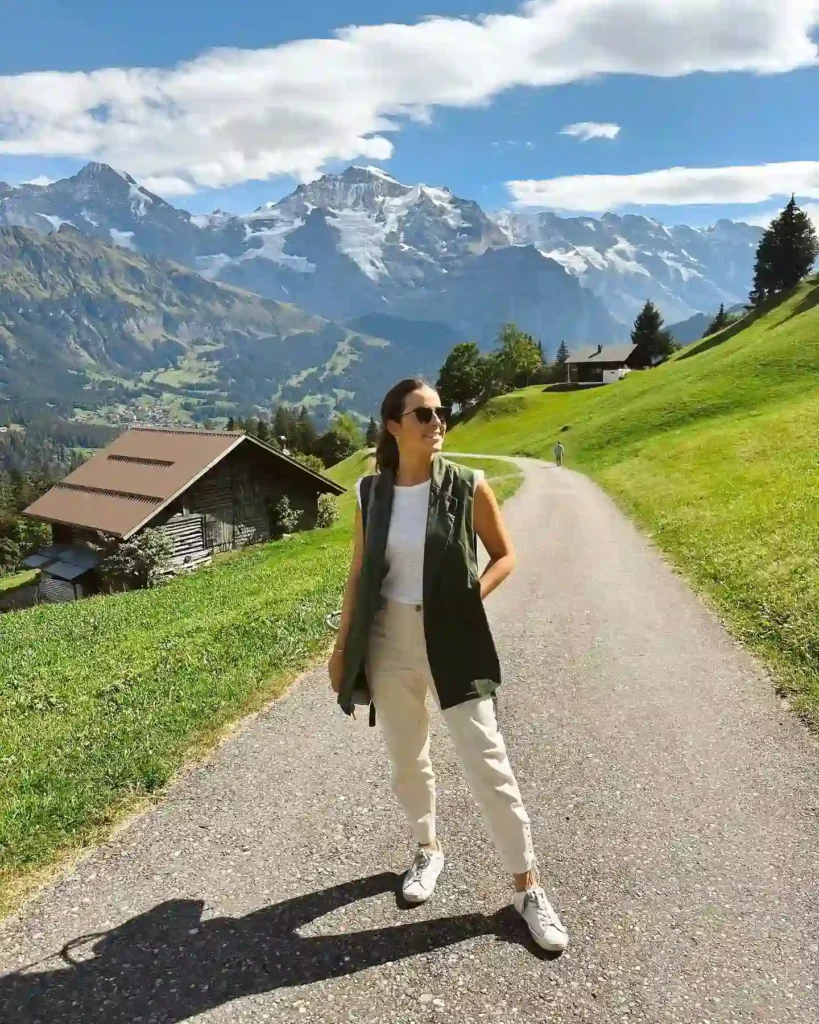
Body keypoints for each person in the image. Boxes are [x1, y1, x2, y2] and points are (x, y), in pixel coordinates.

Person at [328, 377, 569, 953]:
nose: (437, 422)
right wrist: (341, 649)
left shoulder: (468, 484)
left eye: (441, 412)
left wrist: (469, 599)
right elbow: (359, 573)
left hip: (452, 640)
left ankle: (527, 887)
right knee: (407, 757)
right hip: (388, 639)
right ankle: (427, 849)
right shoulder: (369, 493)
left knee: (488, 760)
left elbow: (505, 555)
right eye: (423, 414)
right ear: (394, 426)